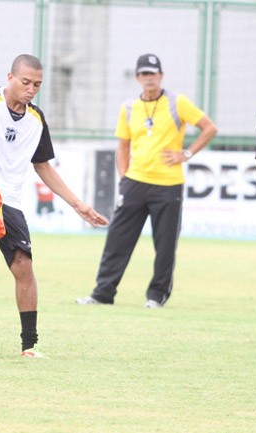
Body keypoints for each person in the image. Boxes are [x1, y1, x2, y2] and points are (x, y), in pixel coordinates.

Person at [0, 54, 108, 358]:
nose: (31, 89)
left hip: (9, 197)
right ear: (10, 77)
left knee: (23, 266)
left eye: (37, 84)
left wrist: (77, 204)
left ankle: (29, 346)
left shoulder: (36, 120)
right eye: (25, 82)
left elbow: (43, 167)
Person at [76, 53, 217, 308]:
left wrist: (186, 154)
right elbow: (123, 146)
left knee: (164, 246)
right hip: (135, 183)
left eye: (153, 73)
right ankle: (102, 294)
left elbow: (209, 128)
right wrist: (124, 179)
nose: (148, 78)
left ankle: (156, 296)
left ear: (161, 76)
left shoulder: (178, 102)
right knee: (117, 240)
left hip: (168, 184)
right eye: (143, 74)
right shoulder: (129, 107)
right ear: (137, 77)